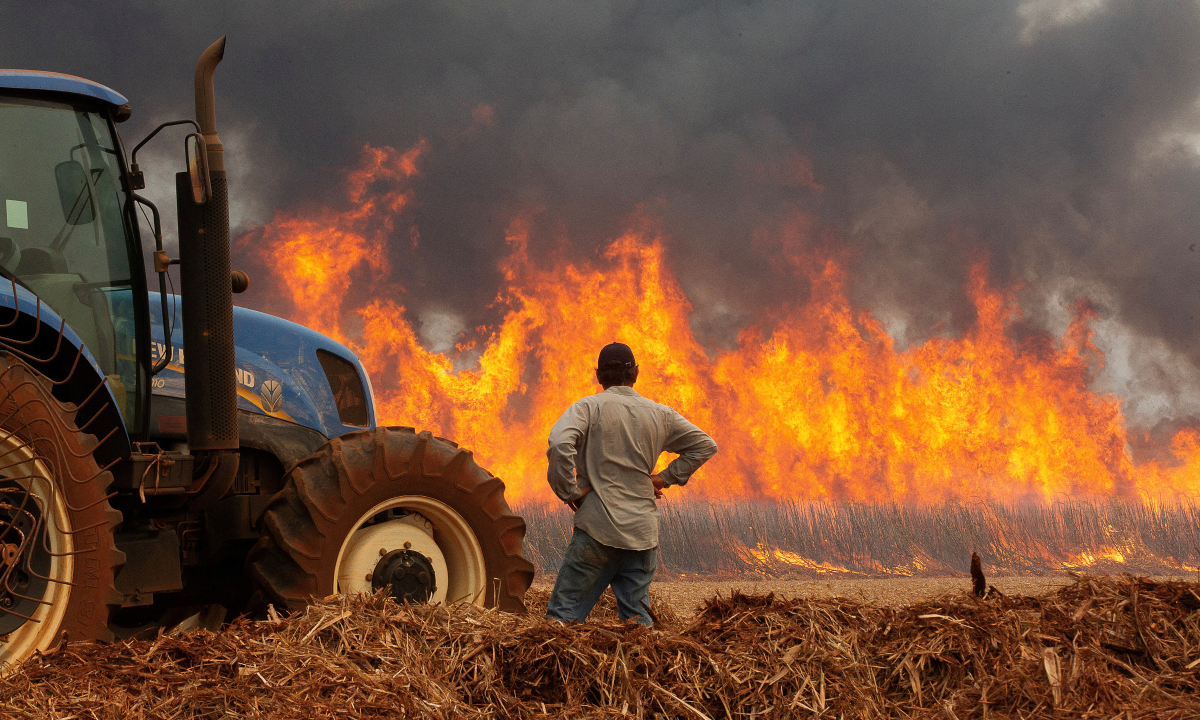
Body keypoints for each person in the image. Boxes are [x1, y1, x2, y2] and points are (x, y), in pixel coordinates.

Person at [545, 342, 718, 625]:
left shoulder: (587, 408)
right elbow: (704, 445)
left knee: (562, 620)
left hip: (597, 530)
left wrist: (569, 491)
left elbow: (560, 442)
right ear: (635, 373)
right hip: (642, 535)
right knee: (638, 625)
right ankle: (644, 669)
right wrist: (664, 478)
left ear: (599, 375)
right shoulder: (660, 414)